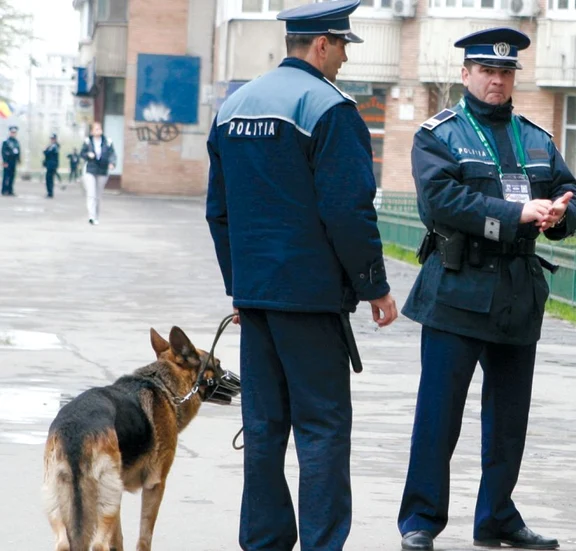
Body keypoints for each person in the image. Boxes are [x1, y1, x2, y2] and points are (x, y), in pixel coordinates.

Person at [205, 1, 398, 549]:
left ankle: (264, 541)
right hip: (311, 302)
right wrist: (374, 285)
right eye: (341, 48)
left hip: (257, 299)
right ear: (321, 45)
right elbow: (348, 210)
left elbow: (218, 211)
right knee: (323, 430)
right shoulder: (330, 108)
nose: (342, 61)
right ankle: (321, 543)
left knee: (264, 427)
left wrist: (238, 288)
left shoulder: (233, 106)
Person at [398, 27, 576, 551]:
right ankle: (420, 521)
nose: (496, 80)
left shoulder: (536, 138)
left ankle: (497, 518)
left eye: (505, 72)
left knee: (508, 422)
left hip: (516, 292)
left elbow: (569, 190)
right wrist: (516, 212)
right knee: (438, 417)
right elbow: (441, 202)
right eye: (486, 71)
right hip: (457, 286)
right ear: (466, 75)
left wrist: (563, 211)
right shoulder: (437, 134)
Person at [80, 122, 116, 225]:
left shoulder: (107, 142)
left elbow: (112, 154)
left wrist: (112, 163)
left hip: (102, 170)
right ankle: (91, 217)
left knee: (98, 195)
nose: (98, 130)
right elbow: (82, 153)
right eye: (96, 129)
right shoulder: (88, 141)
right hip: (90, 169)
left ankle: (96, 216)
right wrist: (88, 154)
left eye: (99, 128)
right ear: (92, 131)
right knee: (91, 193)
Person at [2, 125, 21, 196]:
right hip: (8, 161)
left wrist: (19, 160)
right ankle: (4, 190)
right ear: (10, 132)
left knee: (12, 176)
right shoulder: (6, 142)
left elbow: (18, 151)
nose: (13, 133)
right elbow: (3, 152)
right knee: (6, 176)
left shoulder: (16, 142)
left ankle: (10, 190)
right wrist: (5, 161)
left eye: (14, 132)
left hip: (13, 162)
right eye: (12, 132)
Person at [43, 133, 60, 198]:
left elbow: (47, 153)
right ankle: (49, 192)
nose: (52, 140)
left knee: (49, 179)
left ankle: (50, 193)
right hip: (50, 164)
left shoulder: (54, 146)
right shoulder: (52, 146)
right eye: (51, 139)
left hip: (51, 165)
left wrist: (45, 150)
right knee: (49, 179)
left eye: (53, 139)